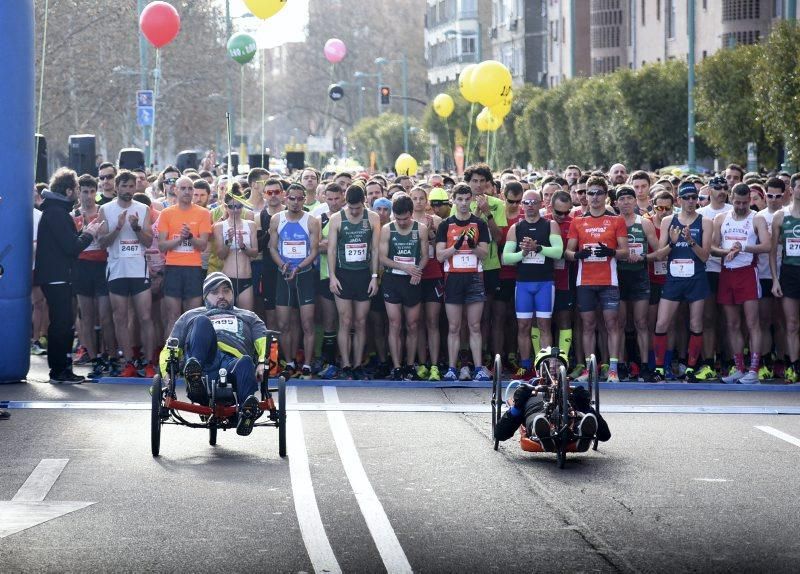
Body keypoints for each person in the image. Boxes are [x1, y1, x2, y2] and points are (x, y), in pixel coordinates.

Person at [161, 273, 268, 436]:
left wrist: (262, 362)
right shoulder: (190, 316)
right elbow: (170, 348)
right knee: (202, 321)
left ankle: (246, 411)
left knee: (246, 361)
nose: (221, 296)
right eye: (215, 292)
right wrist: (167, 374)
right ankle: (195, 379)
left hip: (235, 364)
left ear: (233, 294)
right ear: (205, 296)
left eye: (226, 291)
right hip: (205, 363)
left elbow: (264, 341)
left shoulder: (249, 317)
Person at [34, 168, 102, 383]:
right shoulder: (57, 213)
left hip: (60, 275)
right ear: (69, 190)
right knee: (61, 325)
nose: (79, 195)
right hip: (57, 276)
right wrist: (89, 234)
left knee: (64, 324)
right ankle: (59, 371)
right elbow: (71, 247)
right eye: (77, 190)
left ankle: (63, 368)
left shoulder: (55, 211)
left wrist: (84, 233)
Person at [564, 176, 629, 382]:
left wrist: (610, 251)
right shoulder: (578, 221)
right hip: (585, 281)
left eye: (598, 193)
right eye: (589, 193)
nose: (593, 197)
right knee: (588, 324)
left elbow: (625, 252)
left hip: (609, 280)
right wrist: (577, 256)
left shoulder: (616, 220)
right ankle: (589, 370)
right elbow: (568, 252)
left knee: (612, 324)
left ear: (605, 195)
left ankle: (613, 369)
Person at [96, 170, 156, 377]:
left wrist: (137, 228)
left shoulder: (143, 208)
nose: (129, 190)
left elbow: (148, 242)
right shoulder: (105, 209)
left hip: (139, 270)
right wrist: (118, 227)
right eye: (125, 186)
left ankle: (148, 363)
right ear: (117, 187)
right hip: (116, 270)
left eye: (132, 186)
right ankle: (128, 362)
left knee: (145, 317)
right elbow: (102, 242)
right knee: (120, 317)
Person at [651, 182, 713, 382]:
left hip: (696, 278)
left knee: (696, 323)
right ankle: (659, 368)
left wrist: (691, 241)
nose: (691, 201)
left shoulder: (705, 222)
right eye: (686, 198)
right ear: (679, 200)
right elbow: (660, 256)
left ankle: (690, 368)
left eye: (694, 198)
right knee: (662, 323)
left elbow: (705, 257)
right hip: (674, 278)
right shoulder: (669, 220)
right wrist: (672, 242)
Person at [710, 182, 771, 383]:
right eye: (737, 202)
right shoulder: (721, 218)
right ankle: (739, 368)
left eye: (745, 203)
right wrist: (728, 251)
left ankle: (754, 369)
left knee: (753, 323)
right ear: (730, 198)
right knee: (732, 324)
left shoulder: (757, 218)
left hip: (747, 273)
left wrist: (742, 247)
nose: (741, 206)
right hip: (727, 273)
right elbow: (712, 247)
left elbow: (767, 246)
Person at [493, 348, 609, 451]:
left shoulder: (572, 392)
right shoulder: (526, 391)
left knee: (580, 416)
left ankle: (582, 434)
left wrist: (586, 407)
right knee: (538, 418)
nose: (553, 368)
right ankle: (543, 433)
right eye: (548, 364)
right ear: (538, 370)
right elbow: (500, 434)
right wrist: (517, 407)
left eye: (558, 365)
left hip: (569, 421)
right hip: (537, 415)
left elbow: (605, 435)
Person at [502, 190, 563, 378]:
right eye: (526, 202)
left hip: (544, 283)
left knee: (544, 325)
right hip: (523, 284)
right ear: (522, 205)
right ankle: (526, 364)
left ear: (540, 204)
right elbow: (506, 257)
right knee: (523, 326)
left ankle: (544, 365)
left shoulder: (550, 225)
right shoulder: (516, 228)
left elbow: (558, 252)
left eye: (533, 202)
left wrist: (538, 248)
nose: (529, 205)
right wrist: (524, 253)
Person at [436, 183, 491, 381]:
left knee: (474, 326)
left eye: (467, 199)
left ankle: (478, 368)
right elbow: (440, 256)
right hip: (453, 279)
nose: (464, 203)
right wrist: (456, 247)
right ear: (453, 201)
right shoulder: (446, 224)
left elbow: (484, 254)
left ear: (472, 200)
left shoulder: (479, 224)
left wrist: (473, 246)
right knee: (454, 327)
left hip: (474, 278)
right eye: (460, 199)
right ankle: (452, 368)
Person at [327, 184, 382, 380]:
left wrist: (375, 277)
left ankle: (358, 363)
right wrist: (332, 276)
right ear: (345, 203)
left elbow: (375, 250)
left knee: (360, 322)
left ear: (364, 202)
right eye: (351, 208)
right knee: (345, 321)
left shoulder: (373, 218)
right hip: (343, 275)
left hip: (363, 275)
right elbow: (331, 250)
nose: (355, 212)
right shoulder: (337, 219)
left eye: (358, 208)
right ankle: (346, 364)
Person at [269, 182, 320, 378]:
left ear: (304, 200)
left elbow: (314, 251)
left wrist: (298, 267)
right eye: (292, 198)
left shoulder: (311, 221)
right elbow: (273, 248)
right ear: (285, 198)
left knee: (307, 323)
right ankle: (289, 361)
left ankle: (307, 364)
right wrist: (283, 265)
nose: (296, 202)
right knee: (283, 324)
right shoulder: (277, 219)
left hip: (304, 275)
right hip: (284, 274)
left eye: (300, 199)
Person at [379, 195, 429, 380]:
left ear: (411, 213)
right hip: (393, 280)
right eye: (397, 218)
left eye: (405, 218)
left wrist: (417, 271)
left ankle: (410, 364)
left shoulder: (420, 229)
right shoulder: (387, 229)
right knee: (394, 323)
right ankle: (397, 365)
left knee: (413, 325)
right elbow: (382, 258)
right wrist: (404, 267)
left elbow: (425, 256)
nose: (401, 222)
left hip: (412, 281)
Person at [157, 175, 213, 336]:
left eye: (190, 188)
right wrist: (180, 239)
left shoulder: (203, 213)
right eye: (183, 188)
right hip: (173, 268)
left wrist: (189, 237)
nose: (187, 192)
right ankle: (171, 357)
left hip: (194, 269)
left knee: (193, 317)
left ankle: (191, 356)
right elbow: (162, 246)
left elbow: (202, 245)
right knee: (172, 316)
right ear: (175, 190)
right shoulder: (167, 213)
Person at [770, 173, 800, 383]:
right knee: (791, 323)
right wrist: (775, 279)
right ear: (792, 189)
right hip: (789, 273)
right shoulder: (781, 216)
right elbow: (772, 251)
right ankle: (793, 365)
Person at [212, 185, 258, 310]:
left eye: (239, 206)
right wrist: (228, 242)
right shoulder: (219, 226)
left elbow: (255, 253)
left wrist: (243, 246)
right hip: (227, 277)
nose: (236, 210)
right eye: (232, 206)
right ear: (226, 207)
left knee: (246, 318)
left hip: (245, 277)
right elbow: (220, 255)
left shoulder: (251, 225)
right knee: (226, 317)